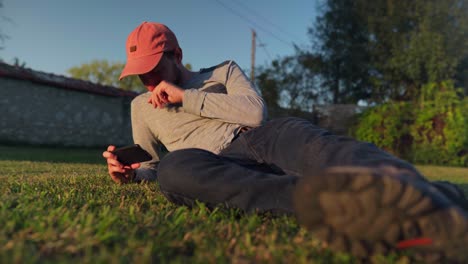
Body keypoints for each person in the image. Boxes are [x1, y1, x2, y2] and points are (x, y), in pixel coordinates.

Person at [102, 22, 468, 262]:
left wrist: (187, 96)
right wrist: (131, 173)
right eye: (140, 75)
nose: (148, 81)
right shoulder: (140, 106)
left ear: (177, 55)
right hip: (207, 162)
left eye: (154, 69)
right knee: (173, 170)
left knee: (329, 148)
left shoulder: (223, 71)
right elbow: (149, 161)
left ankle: (429, 200)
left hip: (262, 136)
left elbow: (255, 112)